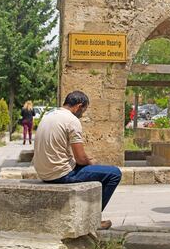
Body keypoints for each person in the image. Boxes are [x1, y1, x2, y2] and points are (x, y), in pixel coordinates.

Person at [33, 90, 122, 230]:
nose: (82, 115)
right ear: (79, 106)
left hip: (43, 172)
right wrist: (91, 162)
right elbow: (80, 159)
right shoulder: (72, 120)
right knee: (114, 173)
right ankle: (93, 220)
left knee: (97, 171)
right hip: (60, 174)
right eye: (83, 111)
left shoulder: (49, 115)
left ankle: (88, 213)